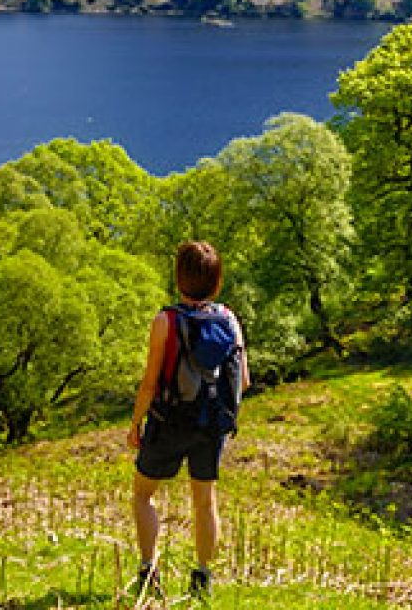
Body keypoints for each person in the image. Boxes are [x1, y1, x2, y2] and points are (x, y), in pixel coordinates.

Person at [126, 240, 250, 600]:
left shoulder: (166, 321)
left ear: (179, 278)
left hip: (169, 422)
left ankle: (149, 572)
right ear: (217, 281)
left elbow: (150, 383)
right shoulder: (229, 319)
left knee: (143, 494)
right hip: (211, 425)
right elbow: (242, 380)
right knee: (205, 502)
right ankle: (203, 578)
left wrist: (135, 424)